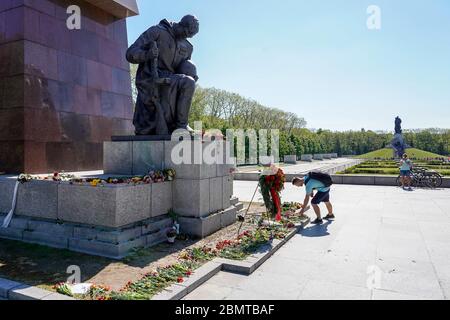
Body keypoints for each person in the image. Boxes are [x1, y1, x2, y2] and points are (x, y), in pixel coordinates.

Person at [126, 15, 200, 135]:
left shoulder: (188, 47)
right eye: (186, 33)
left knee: (189, 80)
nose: (186, 37)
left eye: (190, 36)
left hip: (171, 79)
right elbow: (130, 53)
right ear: (181, 24)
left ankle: (179, 125)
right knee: (188, 82)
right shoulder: (157, 31)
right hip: (151, 79)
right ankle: (181, 126)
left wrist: (192, 73)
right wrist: (147, 55)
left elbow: (183, 69)